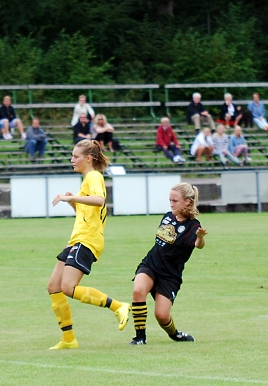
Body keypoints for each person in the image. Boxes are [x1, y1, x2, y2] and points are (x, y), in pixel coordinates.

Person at [47, 140, 130, 350]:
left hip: (87, 240)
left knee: (67, 287)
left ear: (88, 159)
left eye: (75, 156)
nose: (72, 160)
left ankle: (119, 306)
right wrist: (73, 201)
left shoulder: (94, 176)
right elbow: (86, 212)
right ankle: (68, 339)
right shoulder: (86, 180)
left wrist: (73, 197)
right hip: (77, 238)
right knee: (54, 287)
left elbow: (100, 201)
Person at [129, 183, 207, 345]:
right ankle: (140, 337)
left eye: (175, 201)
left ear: (187, 201)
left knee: (162, 315)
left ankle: (175, 334)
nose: (171, 204)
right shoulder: (167, 216)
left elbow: (198, 245)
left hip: (170, 275)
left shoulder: (193, 226)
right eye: (170, 200)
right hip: (151, 264)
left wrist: (200, 237)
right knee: (138, 291)